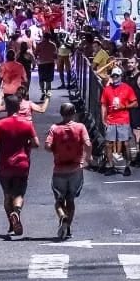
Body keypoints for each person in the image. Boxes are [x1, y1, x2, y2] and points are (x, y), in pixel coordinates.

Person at [0, 94, 37, 238]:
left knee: (7, 195)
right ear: (18, 107)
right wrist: (26, 143)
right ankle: (17, 212)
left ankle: (11, 223)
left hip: (5, 165)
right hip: (22, 164)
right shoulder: (27, 123)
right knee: (19, 194)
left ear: (6, 108)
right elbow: (36, 143)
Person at [45, 102, 92, 242]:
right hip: (76, 169)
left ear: (61, 113)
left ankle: (62, 217)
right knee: (70, 200)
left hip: (59, 169)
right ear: (74, 113)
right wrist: (87, 158)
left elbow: (47, 146)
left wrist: (55, 149)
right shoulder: (80, 127)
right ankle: (68, 227)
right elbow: (88, 144)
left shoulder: (55, 128)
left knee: (59, 200)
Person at [99, 66, 139, 177]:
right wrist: (103, 119)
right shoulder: (107, 89)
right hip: (111, 120)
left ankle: (127, 166)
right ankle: (111, 166)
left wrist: (124, 106)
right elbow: (103, 105)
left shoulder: (127, 88)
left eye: (117, 76)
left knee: (126, 144)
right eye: (113, 76)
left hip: (123, 120)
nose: (115, 78)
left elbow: (135, 103)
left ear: (120, 76)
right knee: (108, 144)